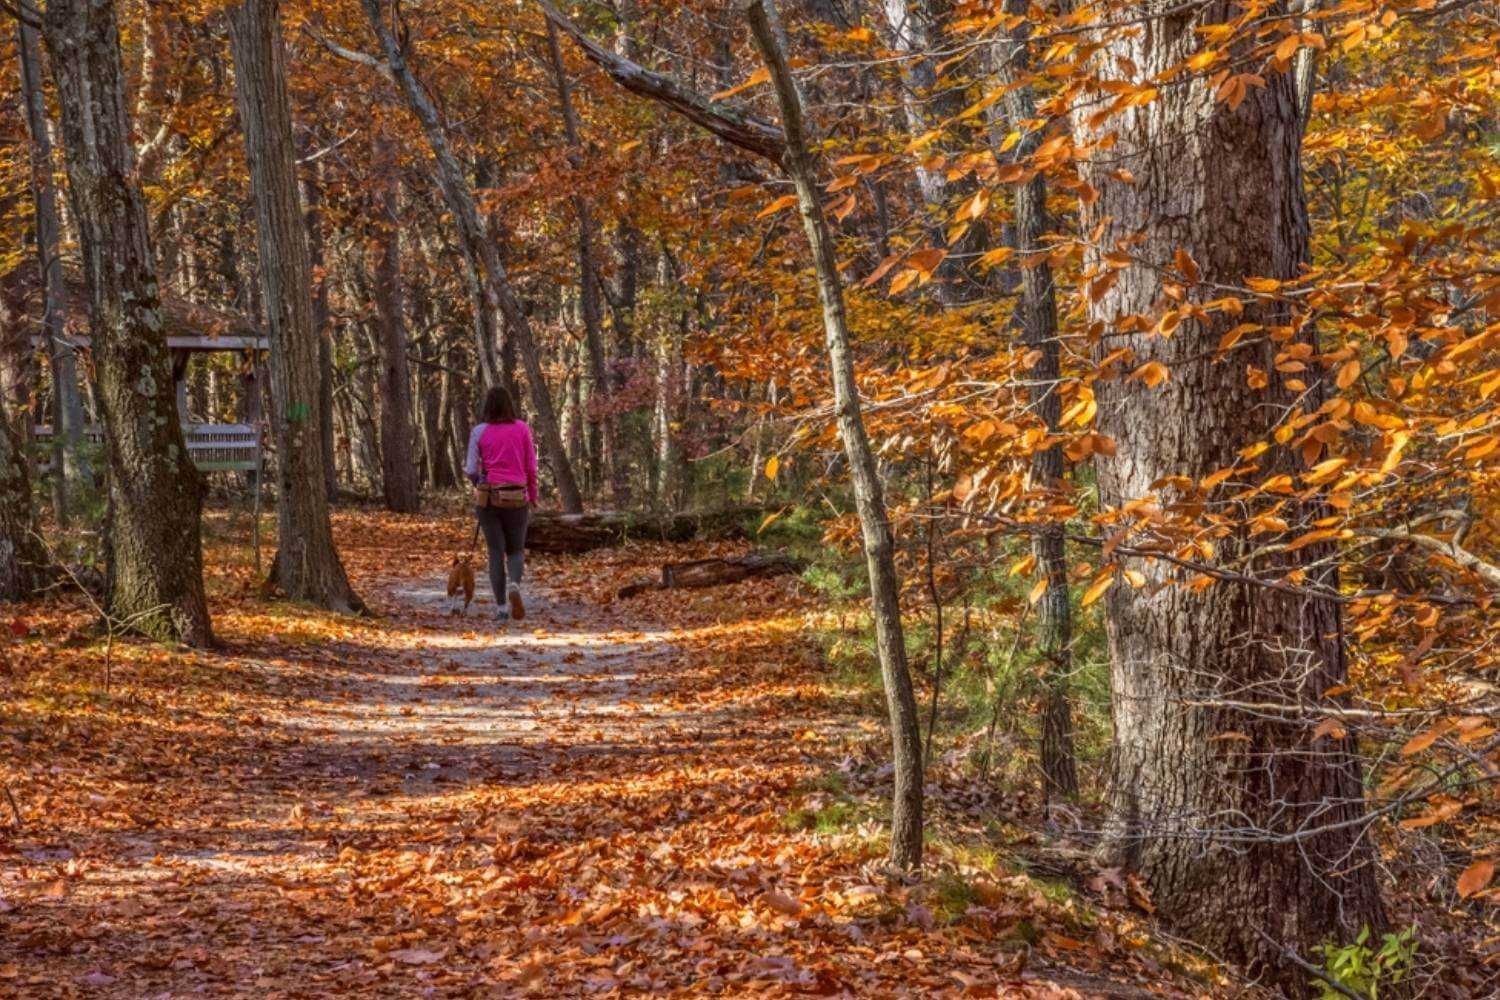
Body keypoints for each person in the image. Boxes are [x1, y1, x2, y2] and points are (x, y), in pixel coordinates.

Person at [465, 387, 537, 621]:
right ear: (510, 405)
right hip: (517, 497)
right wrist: (533, 495)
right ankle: (514, 584)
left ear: (487, 406)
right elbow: (531, 467)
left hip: (490, 499)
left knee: (495, 551)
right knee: (515, 549)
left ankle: (502, 609)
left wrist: (479, 481)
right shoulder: (522, 428)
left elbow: (471, 469)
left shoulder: (479, 431)